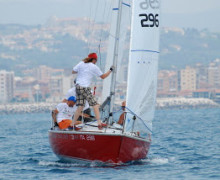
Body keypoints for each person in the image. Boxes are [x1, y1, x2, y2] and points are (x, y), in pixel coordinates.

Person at [72, 52, 113, 130]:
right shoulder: (93, 67)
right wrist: (110, 70)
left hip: (78, 87)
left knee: (80, 107)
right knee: (95, 105)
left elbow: (73, 71)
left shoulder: (81, 63)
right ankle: (99, 123)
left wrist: (82, 71)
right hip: (85, 87)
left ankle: (72, 124)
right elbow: (103, 76)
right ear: (94, 60)